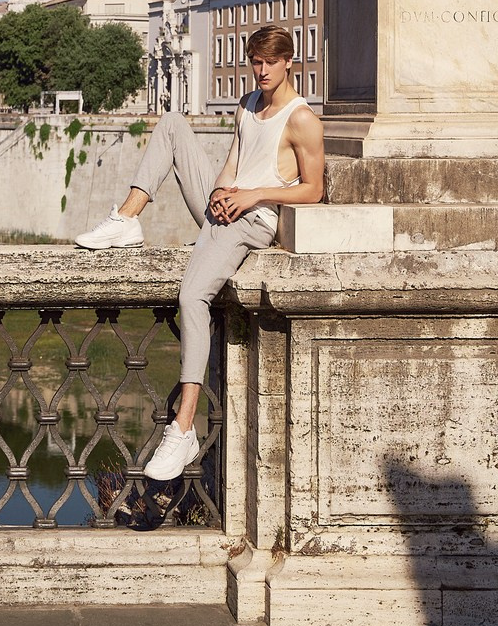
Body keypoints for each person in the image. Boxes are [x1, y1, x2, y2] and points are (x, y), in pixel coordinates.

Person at [75, 25, 325, 480]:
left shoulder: (301, 118)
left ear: (289, 61)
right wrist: (217, 191)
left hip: (253, 222)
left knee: (193, 297)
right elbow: (233, 160)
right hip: (226, 208)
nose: (261, 69)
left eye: (270, 61)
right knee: (171, 124)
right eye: (255, 61)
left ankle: (184, 426)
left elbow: (314, 189)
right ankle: (130, 216)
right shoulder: (248, 104)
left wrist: (252, 197)